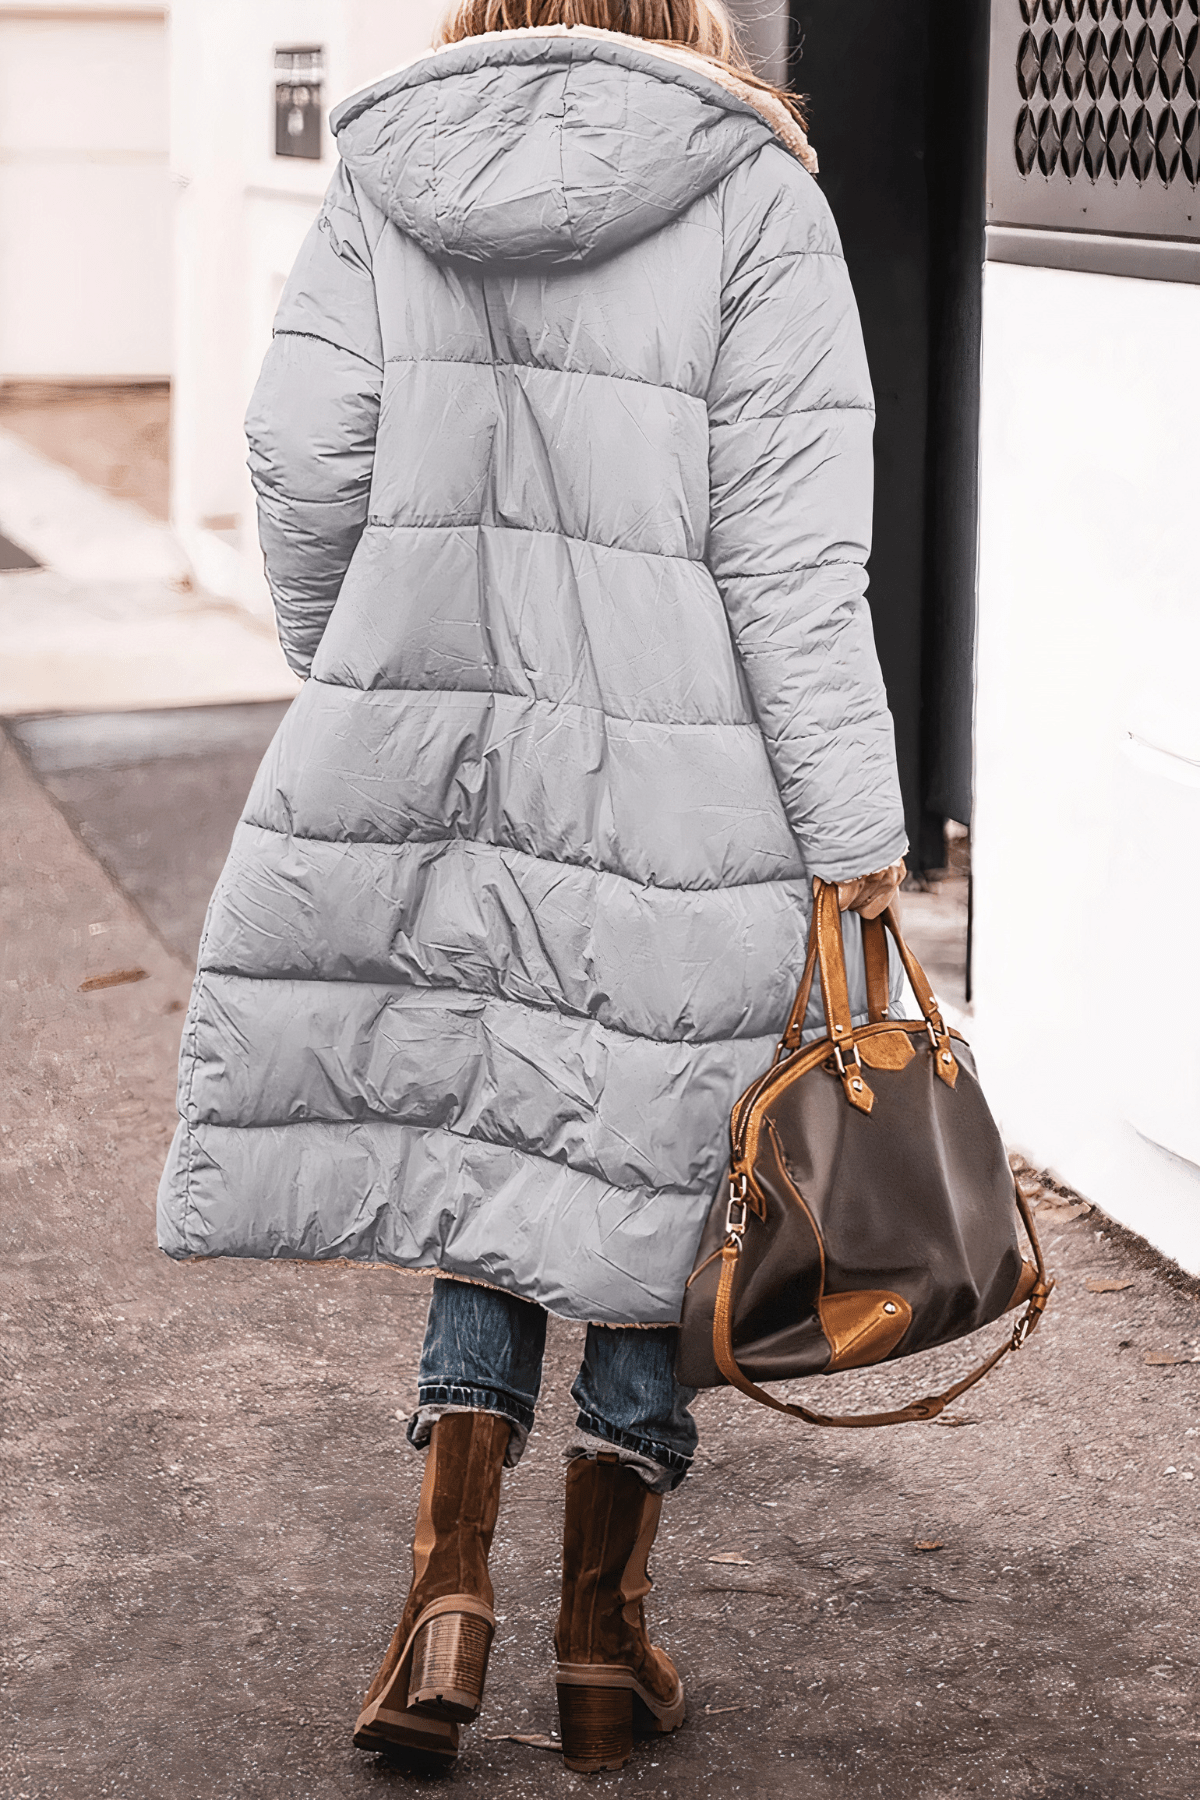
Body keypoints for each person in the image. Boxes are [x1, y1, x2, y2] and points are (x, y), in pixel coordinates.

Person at [157, 0, 907, 1773]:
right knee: (653, 1159)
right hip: (686, 775)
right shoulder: (754, 190)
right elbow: (796, 558)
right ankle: (598, 1631)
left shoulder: (388, 174)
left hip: (454, 757)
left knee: (492, 1141)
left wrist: (372, 663)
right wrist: (855, 837)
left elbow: (296, 456)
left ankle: (444, 1599)